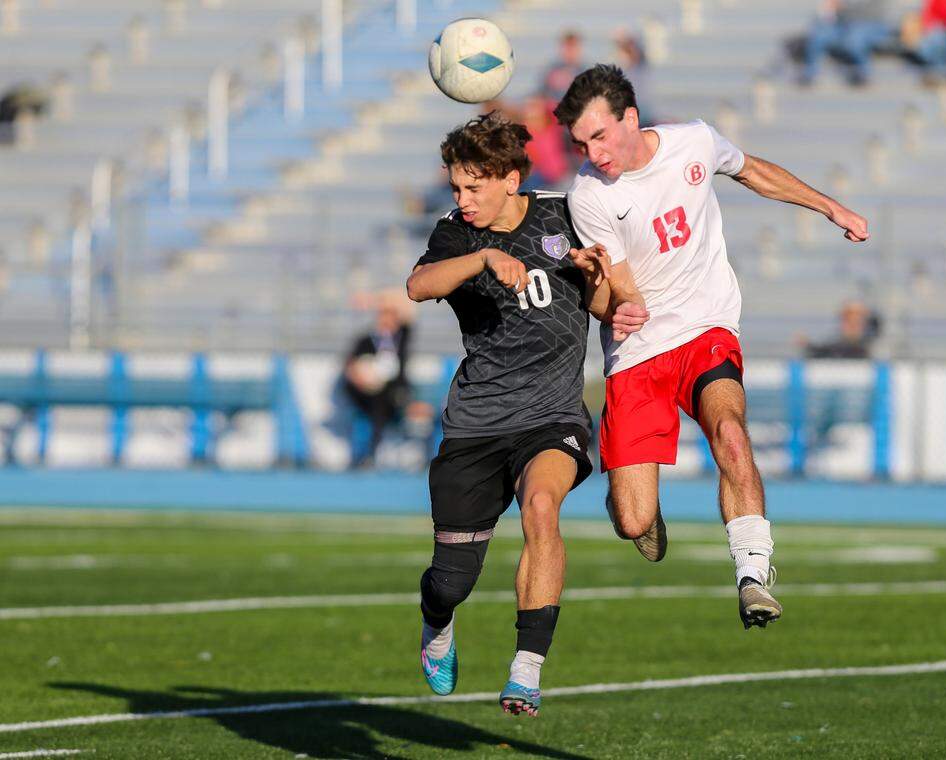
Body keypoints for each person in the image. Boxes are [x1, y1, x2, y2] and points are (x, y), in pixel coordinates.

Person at [554, 65, 868, 629]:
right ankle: (633, 509)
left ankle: (753, 574)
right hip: (639, 351)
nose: (593, 153)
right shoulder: (588, 196)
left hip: (706, 329)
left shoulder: (694, 141)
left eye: (599, 136)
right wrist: (614, 299)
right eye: (581, 143)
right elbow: (621, 292)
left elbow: (755, 172)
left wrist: (831, 207)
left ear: (631, 117)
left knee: (730, 431)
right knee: (633, 520)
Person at [405, 112, 641, 716]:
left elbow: (607, 299)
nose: (463, 199)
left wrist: (600, 285)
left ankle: (525, 671)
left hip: (552, 415)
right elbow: (419, 286)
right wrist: (484, 258)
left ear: (511, 179)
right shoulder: (456, 232)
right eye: (456, 187)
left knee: (542, 506)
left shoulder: (565, 213)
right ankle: (437, 620)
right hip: (477, 422)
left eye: (473, 187)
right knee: (451, 581)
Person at [342, 291, 414, 467]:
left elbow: (410, 304)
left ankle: (373, 453)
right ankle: (369, 454)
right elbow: (349, 367)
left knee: (384, 401)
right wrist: (363, 380)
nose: (387, 321)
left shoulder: (402, 337)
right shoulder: (365, 340)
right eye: (383, 316)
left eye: (391, 317)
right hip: (366, 393)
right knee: (376, 402)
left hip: (394, 392)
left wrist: (375, 300)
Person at [799, 0, 894, 87]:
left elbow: (871, 12)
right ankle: (810, 73)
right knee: (820, 36)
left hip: (870, 24)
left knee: (855, 39)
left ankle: (863, 72)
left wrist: (842, 8)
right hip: (843, 23)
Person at [799, 300, 880, 359]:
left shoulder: (869, 344)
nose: (852, 326)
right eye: (848, 321)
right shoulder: (834, 345)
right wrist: (808, 346)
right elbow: (822, 350)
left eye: (857, 322)